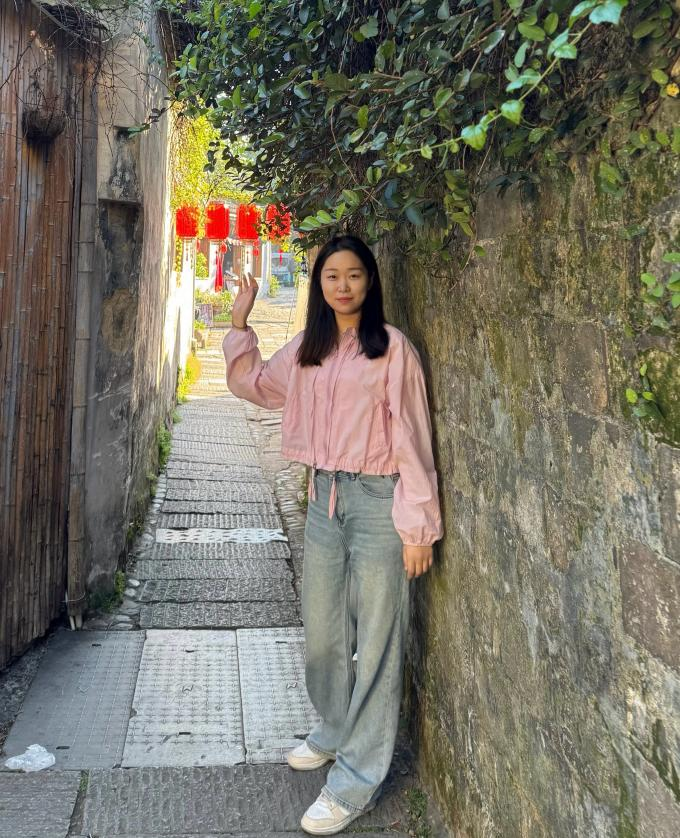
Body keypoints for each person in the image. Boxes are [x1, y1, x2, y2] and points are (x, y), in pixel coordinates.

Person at [222, 234, 443, 835]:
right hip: (322, 498)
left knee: (377, 641)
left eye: (354, 275)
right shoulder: (308, 349)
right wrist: (240, 323)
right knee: (322, 633)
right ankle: (335, 727)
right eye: (331, 276)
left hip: (378, 503)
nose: (343, 286)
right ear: (319, 285)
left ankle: (354, 780)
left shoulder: (391, 349)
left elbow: (413, 438)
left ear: (370, 282)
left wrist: (417, 526)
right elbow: (255, 385)